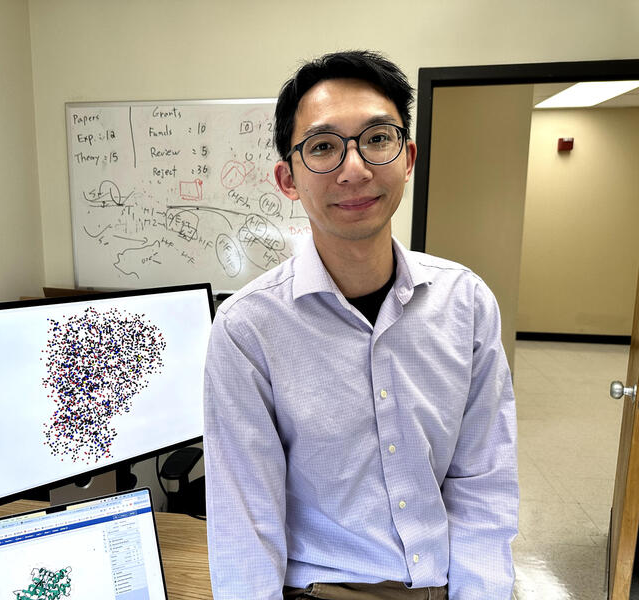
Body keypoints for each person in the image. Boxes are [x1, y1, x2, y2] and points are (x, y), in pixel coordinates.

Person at [203, 50, 519, 600]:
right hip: (321, 591)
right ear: (288, 178)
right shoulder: (247, 329)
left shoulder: (465, 302)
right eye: (323, 147)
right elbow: (244, 521)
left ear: (408, 156)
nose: (355, 169)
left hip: (447, 584)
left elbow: (483, 483)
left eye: (377, 139)